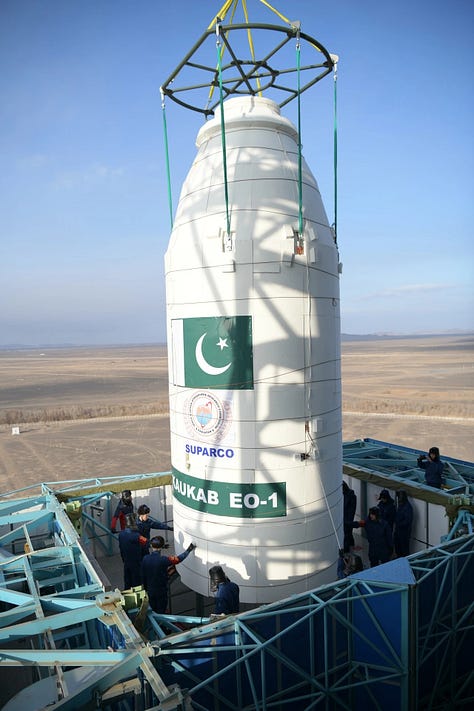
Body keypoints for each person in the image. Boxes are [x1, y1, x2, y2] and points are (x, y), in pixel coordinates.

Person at [141, 536, 196, 614]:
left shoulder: (145, 558)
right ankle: (162, 625)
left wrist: (146, 588)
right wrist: (188, 550)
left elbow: (143, 575)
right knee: (161, 610)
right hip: (161, 590)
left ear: (151, 546)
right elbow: (178, 559)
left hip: (150, 589)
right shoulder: (164, 560)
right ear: (161, 546)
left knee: (153, 610)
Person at [118, 513, 148, 589]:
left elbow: (121, 547)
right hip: (136, 562)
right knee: (137, 583)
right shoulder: (136, 536)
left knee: (127, 581)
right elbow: (147, 543)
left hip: (126, 561)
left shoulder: (121, 534)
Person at [393, 490, 413, 557]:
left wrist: (398, 523)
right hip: (398, 531)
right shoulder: (402, 505)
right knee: (398, 548)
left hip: (404, 532)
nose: (399, 500)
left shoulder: (407, 507)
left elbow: (408, 521)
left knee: (404, 550)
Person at [342, 481, 357, 552]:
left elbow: (351, 510)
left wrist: (348, 520)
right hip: (347, 518)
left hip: (347, 518)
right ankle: (351, 545)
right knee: (348, 533)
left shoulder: (350, 496)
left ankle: (347, 548)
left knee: (347, 533)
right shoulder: (348, 495)